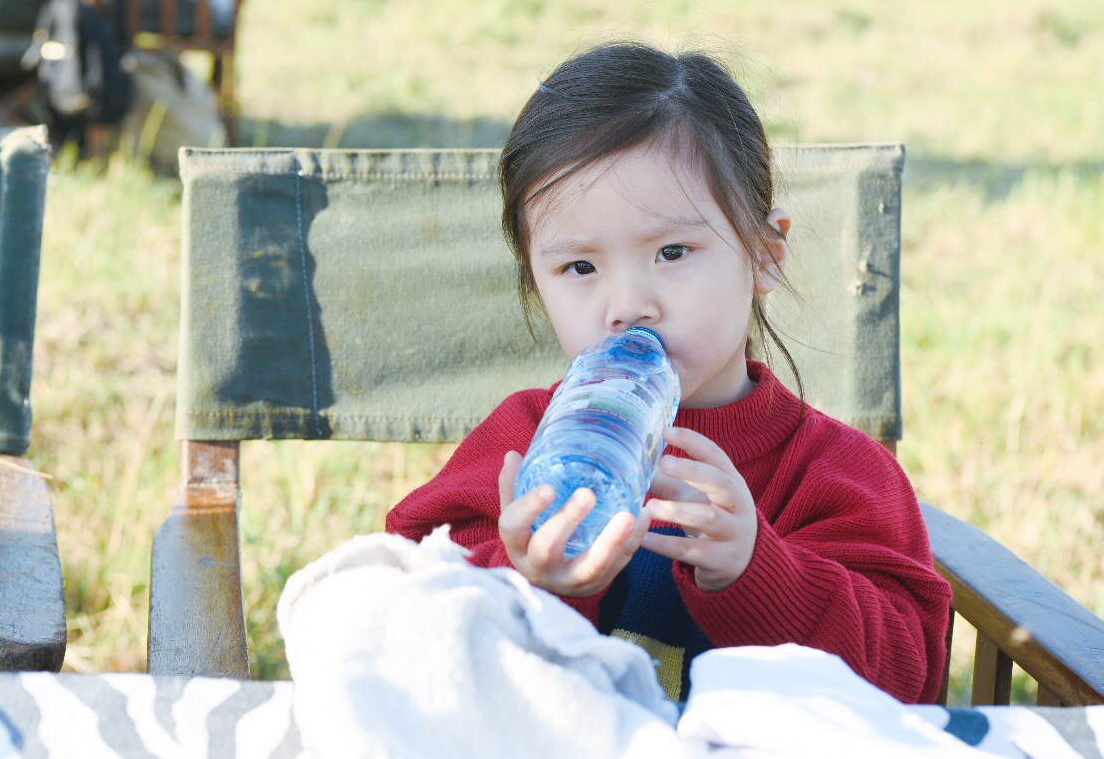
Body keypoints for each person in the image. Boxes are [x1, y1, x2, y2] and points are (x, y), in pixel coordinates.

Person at [385, 42, 953, 705]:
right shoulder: (518, 446)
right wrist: (525, 577)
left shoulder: (835, 473)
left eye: (672, 251)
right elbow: (400, 621)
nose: (628, 304)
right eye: (580, 268)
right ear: (537, 284)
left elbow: (910, 678)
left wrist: (759, 572)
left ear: (766, 257)